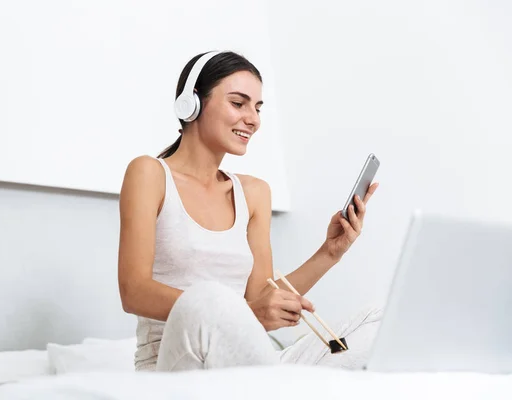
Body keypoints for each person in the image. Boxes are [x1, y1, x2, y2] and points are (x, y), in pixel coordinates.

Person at [118, 51, 381, 372]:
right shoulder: (149, 173)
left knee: (377, 317)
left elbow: (260, 298)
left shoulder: (254, 193)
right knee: (208, 298)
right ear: (192, 104)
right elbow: (133, 291)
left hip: (242, 365)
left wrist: (330, 252)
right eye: (238, 103)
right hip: (175, 361)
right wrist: (245, 311)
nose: (253, 119)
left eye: (257, 108)